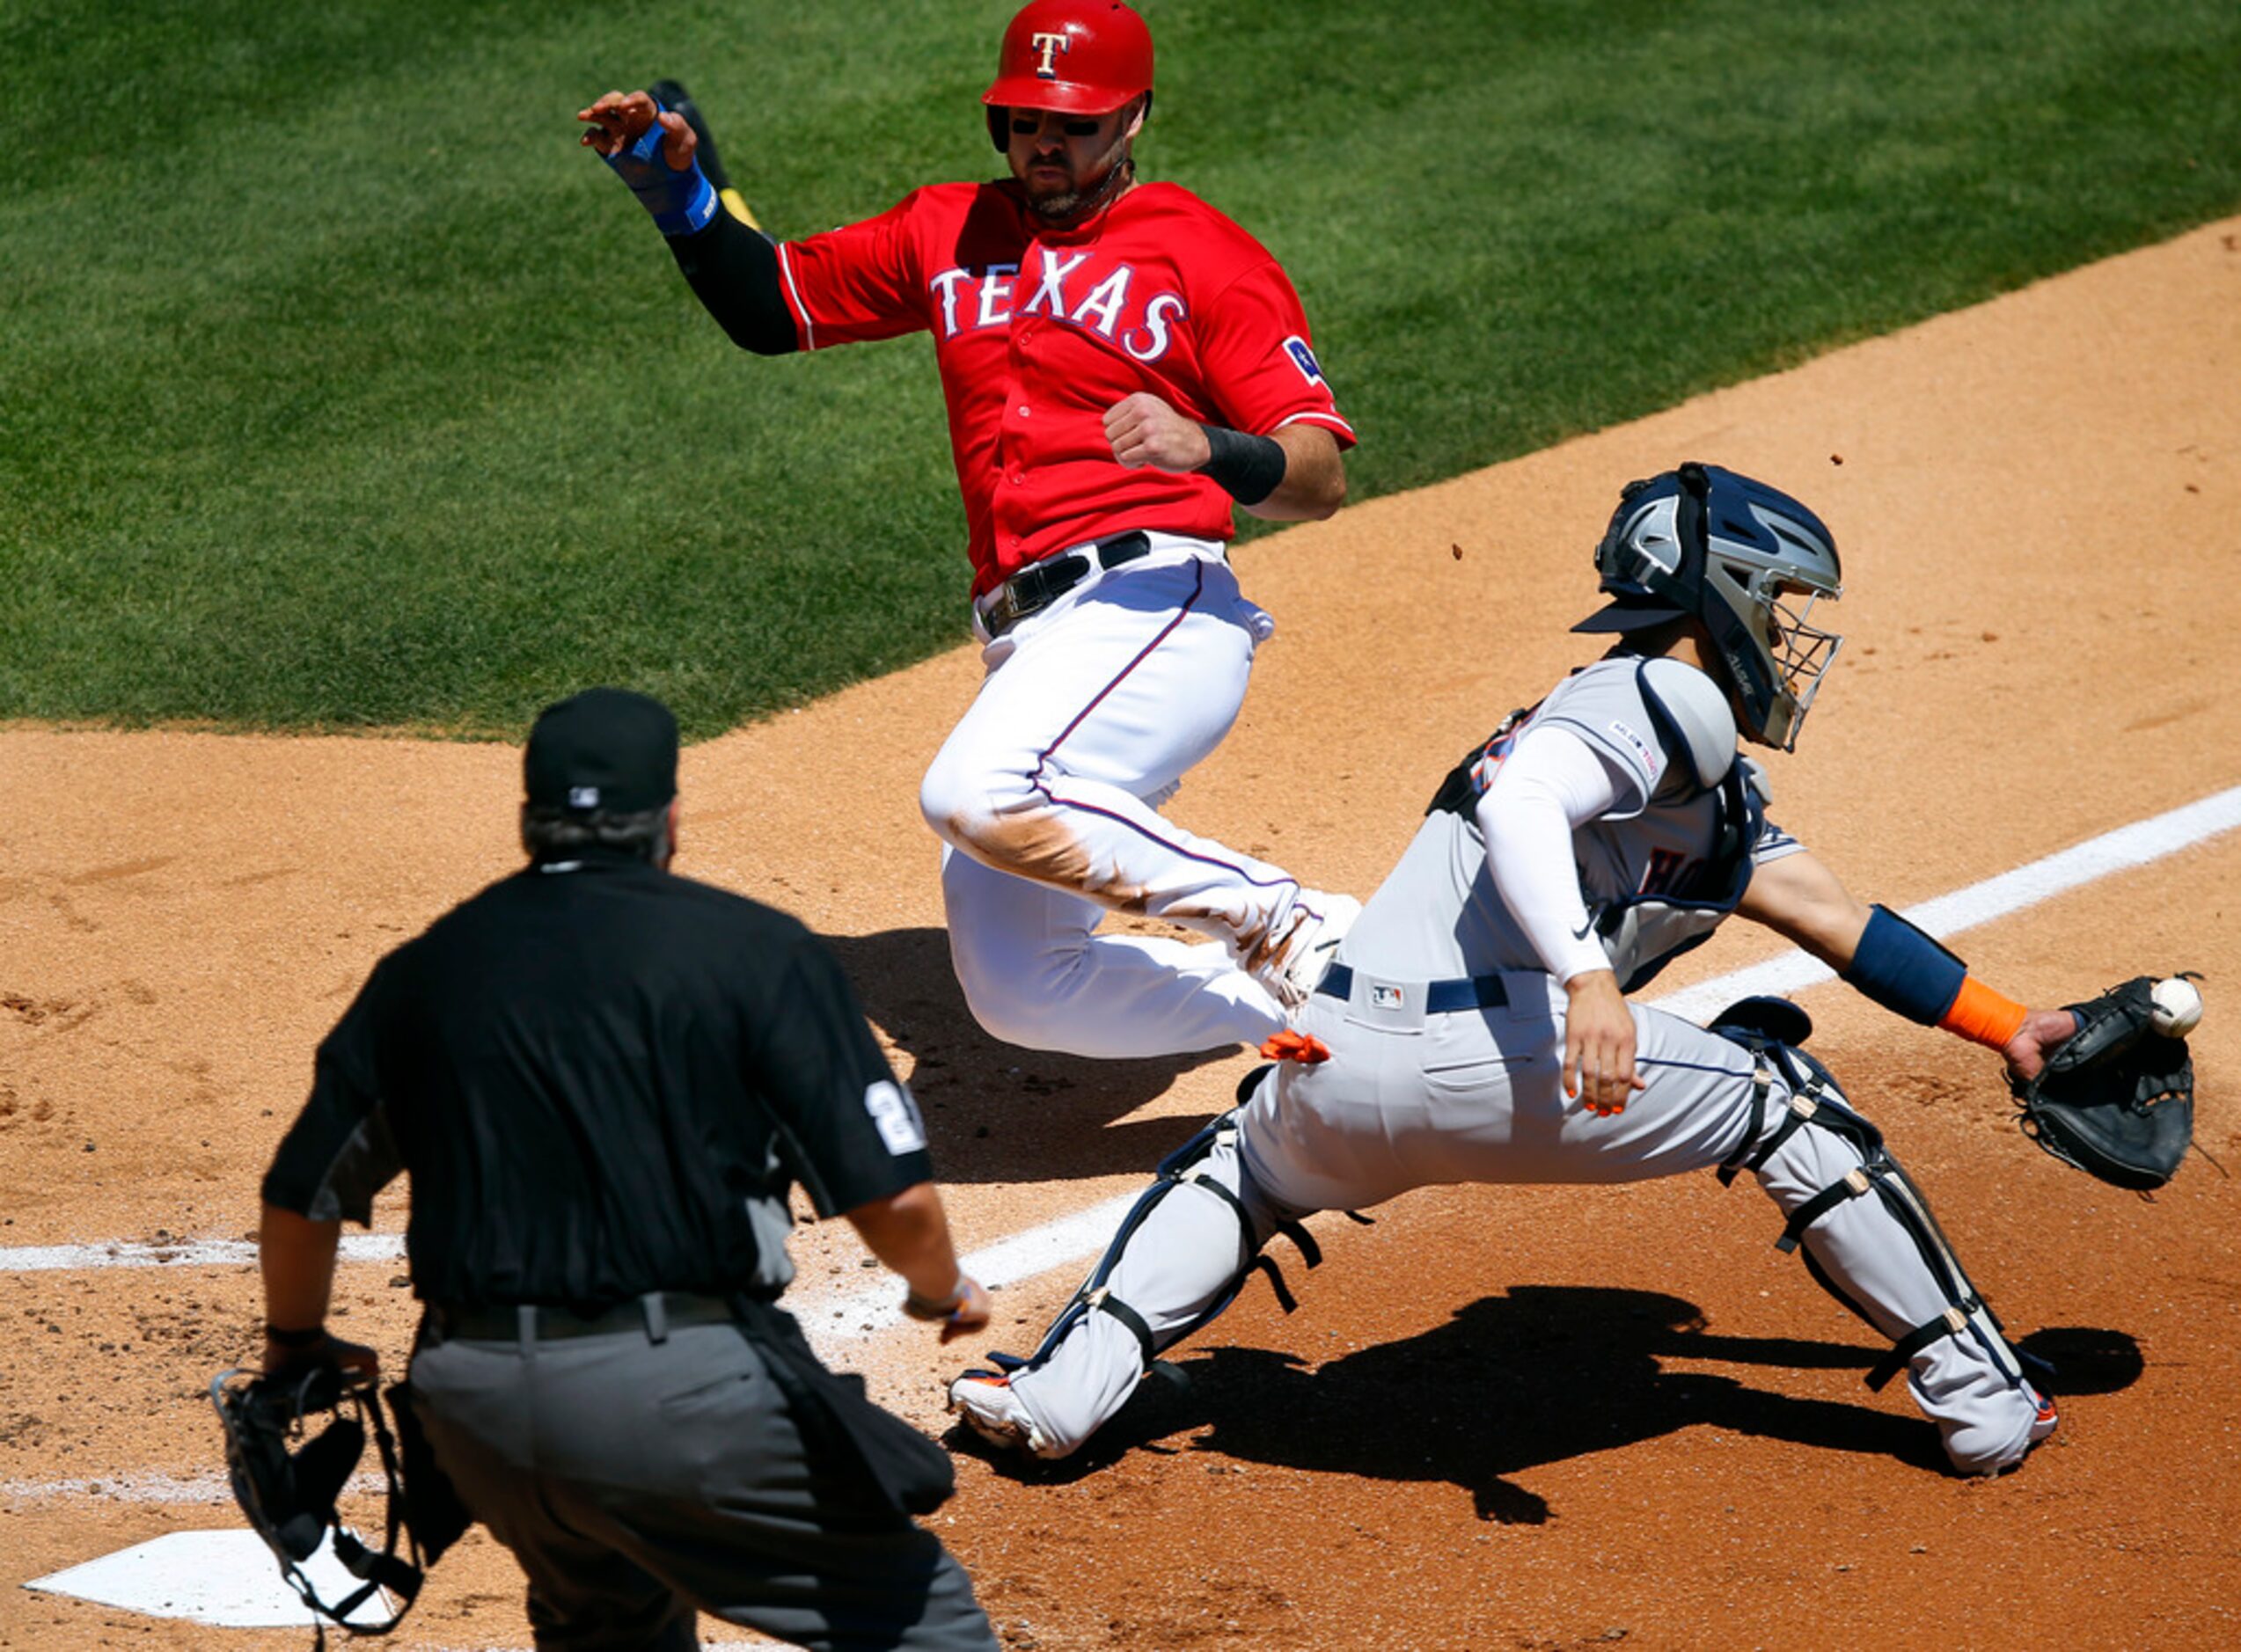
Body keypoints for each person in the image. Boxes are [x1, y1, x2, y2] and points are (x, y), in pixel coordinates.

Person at [948, 463, 2081, 1479]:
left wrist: (2008, 1025)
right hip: (1498, 1065)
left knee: (1245, 1163)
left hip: (1337, 1064)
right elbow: (1530, 795)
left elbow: (1841, 923)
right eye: (1779, 601)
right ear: (1721, 591)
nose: (1787, 635)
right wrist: (1589, 980)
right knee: (1783, 1097)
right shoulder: (1660, 694)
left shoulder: (1668, 768)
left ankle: (1059, 1394)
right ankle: (1983, 1399)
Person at [576, 0, 1360, 1061]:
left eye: (1075, 122)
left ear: (1133, 120)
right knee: (1024, 990)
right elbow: (776, 307)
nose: (1047, 140)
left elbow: (1316, 475)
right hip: (1030, 639)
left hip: (1154, 610)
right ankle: (1344, 1002)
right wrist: (676, 193)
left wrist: (1209, 446)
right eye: (1026, 118)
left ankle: (1284, 919)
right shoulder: (948, 228)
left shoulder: (1200, 252)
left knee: (976, 790)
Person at [256, 687, 998, 1650]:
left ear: (528, 819)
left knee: (605, 1619)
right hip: (677, 1403)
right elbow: (894, 1202)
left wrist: (296, 1344)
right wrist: (943, 1291)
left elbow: (300, 1194)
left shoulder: (422, 972)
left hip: (473, 1411)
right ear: (672, 818)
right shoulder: (754, 950)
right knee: (918, 1620)